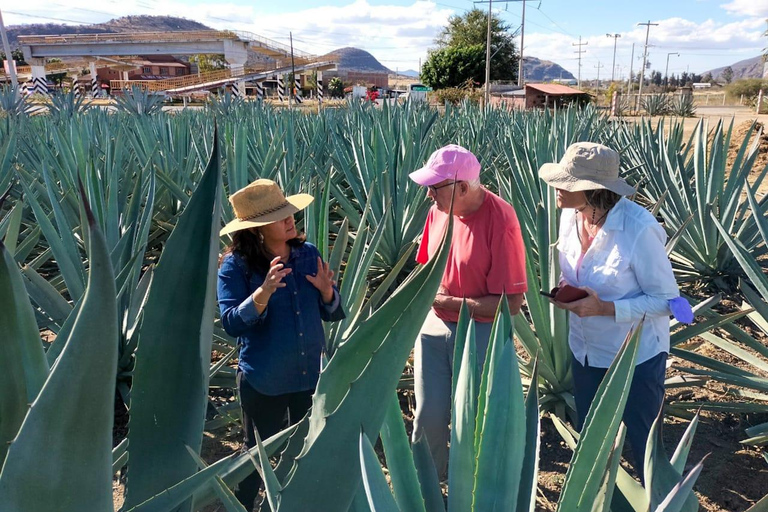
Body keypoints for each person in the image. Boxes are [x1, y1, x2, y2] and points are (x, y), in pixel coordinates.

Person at [539, 141, 686, 481]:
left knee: (643, 447)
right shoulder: (569, 216)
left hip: (635, 360)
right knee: (594, 445)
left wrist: (605, 308)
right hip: (586, 353)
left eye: (567, 183)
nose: (557, 189)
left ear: (593, 189)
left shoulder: (639, 228)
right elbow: (572, 269)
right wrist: (566, 289)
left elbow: (669, 301)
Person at [217, 179, 345, 510]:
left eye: (290, 212)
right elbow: (231, 322)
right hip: (265, 378)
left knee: (307, 448)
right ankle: (243, 506)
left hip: (308, 378)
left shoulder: (307, 254)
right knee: (256, 455)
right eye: (281, 216)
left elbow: (331, 312)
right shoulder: (236, 266)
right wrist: (264, 292)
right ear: (258, 229)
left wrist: (328, 292)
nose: (291, 219)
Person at [408, 144, 528, 478]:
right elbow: (426, 269)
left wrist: (446, 302)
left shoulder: (500, 220)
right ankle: (427, 489)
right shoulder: (439, 212)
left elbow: (512, 304)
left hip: (480, 335)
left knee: (474, 420)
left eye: (435, 187)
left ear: (462, 187)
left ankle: (473, 491)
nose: (429, 195)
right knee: (428, 416)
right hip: (434, 329)